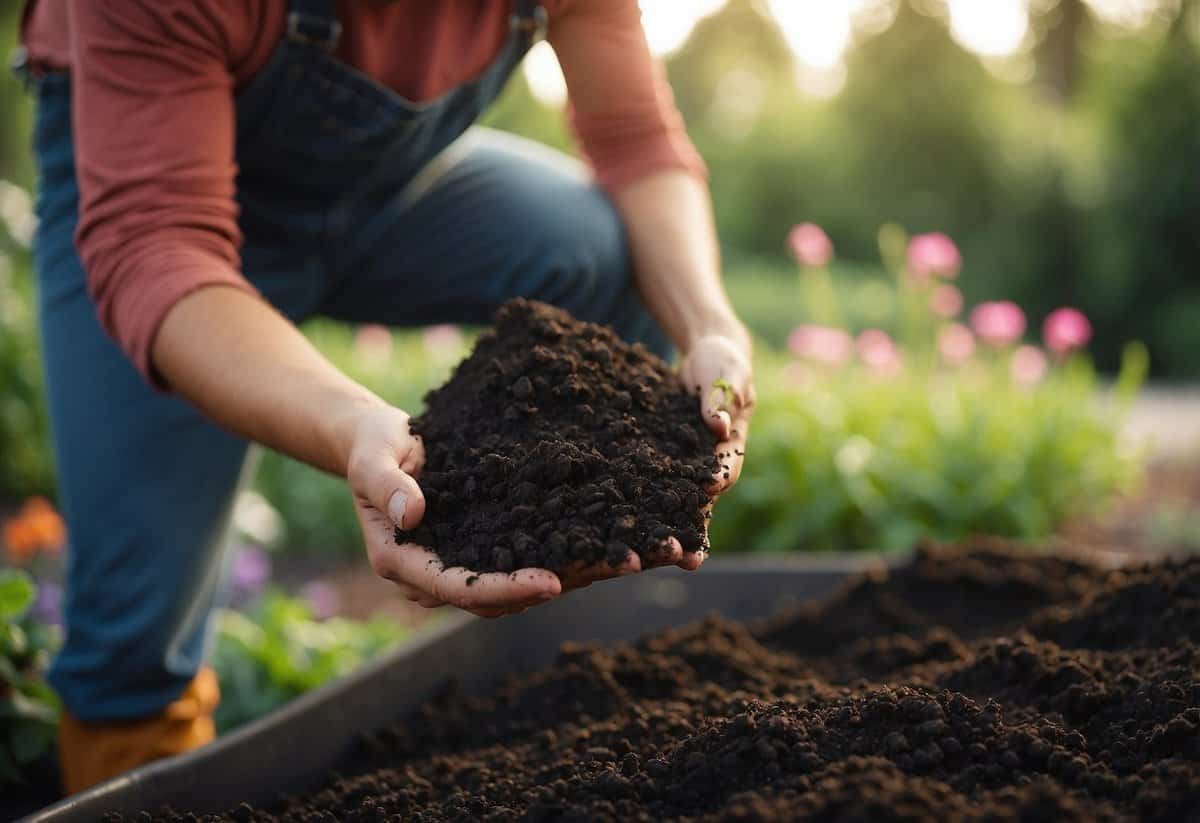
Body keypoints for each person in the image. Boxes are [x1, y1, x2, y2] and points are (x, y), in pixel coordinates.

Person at [17, 0, 755, 793]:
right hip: (149, 204)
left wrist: (710, 324)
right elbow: (158, 245)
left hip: (387, 190)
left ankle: (573, 662)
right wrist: (355, 426)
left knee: (604, 250)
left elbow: (635, 140)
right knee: (131, 640)